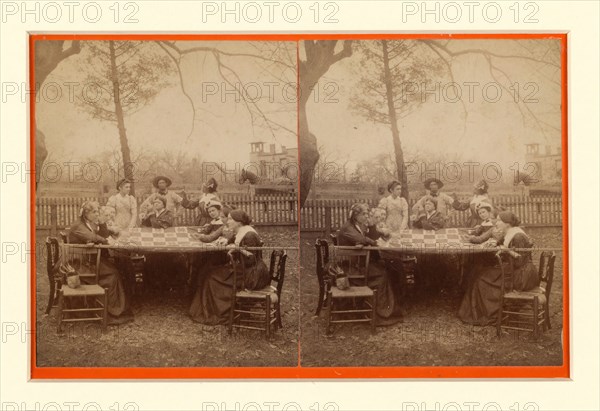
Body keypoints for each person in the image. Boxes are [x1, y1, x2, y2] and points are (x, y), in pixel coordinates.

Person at [189, 210, 270, 325]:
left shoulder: (249, 234)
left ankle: (220, 313)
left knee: (211, 277)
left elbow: (250, 260)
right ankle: (214, 309)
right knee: (210, 272)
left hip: (252, 274)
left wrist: (235, 250)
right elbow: (235, 244)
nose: (228, 221)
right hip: (245, 269)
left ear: (239, 222)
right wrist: (227, 243)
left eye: (231, 219)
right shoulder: (241, 232)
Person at [458, 211, 539, 326]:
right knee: (480, 273)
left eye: (499, 220)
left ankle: (489, 314)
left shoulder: (518, 236)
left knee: (481, 280)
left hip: (522, 276)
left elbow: (519, 261)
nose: (497, 223)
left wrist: (505, 250)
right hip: (514, 270)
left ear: (507, 223)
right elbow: (505, 247)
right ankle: (481, 311)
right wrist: (496, 245)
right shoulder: (510, 233)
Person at [68, 201, 131, 324]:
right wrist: (108, 242)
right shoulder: (78, 225)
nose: (97, 214)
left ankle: (115, 307)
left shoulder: (88, 223)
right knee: (113, 274)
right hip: (78, 263)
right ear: (86, 213)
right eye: (94, 212)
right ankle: (113, 311)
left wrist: (102, 223)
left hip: (88, 258)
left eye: (98, 212)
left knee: (119, 266)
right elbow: (94, 238)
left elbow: (102, 235)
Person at [338, 203, 403, 323]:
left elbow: (359, 239)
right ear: (355, 215)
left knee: (387, 266)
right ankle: (382, 312)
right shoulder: (348, 227)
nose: (366, 216)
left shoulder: (356, 225)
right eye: (364, 214)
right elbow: (361, 239)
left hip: (356, 262)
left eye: (367, 214)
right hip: (351, 267)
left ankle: (384, 307)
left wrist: (363, 242)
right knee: (383, 274)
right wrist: (372, 242)